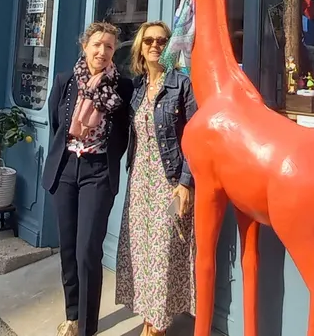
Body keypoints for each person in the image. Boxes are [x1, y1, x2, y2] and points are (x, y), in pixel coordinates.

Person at [43, 21, 135, 336]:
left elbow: (124, 132)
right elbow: (55, 121)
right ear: (85, 46)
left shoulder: (123, 87)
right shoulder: (65, 81)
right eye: (97, 44)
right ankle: (72, 316)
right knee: (68, 248)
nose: (102, 51)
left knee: (87, 250)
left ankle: (86, 328)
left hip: (97, 171)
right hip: (66, 168)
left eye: (109, 46)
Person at [115, 21, 198, 336]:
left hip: (169, 179)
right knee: (141, 251)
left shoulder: (181, 85)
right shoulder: (136, 87)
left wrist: (186, 182)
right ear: (140, 46)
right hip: (139, 181)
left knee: (164, 254)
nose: (155, 45)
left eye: (162, 41)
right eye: (148, 40)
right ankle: (149, 317)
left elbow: (193, 136)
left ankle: (158, 325)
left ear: (169, 46)